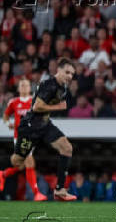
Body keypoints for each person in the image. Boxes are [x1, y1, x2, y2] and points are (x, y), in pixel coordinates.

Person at [1, 58, 77, 201]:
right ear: (58, 70)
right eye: (67, 72)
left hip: (45, 124)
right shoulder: (48, 85)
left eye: (72, 74)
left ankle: (60, 190)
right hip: (30, 127)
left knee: (67, 148)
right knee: (18, 161)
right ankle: (3, 174)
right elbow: (37, 107)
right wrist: (57, 107)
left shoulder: (63, 88)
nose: (69, 76)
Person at [0, 79, 47, 201]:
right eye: (22, 85)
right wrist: (7, 123)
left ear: (29, 88)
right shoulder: (14, 102)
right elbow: (5, 115)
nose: (24, 87)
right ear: (18, 88)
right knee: (30, 161)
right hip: (20, 137)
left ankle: (3, 174)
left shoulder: (34, 102)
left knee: (21, 166)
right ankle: (36, 193)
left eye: (26, 85)